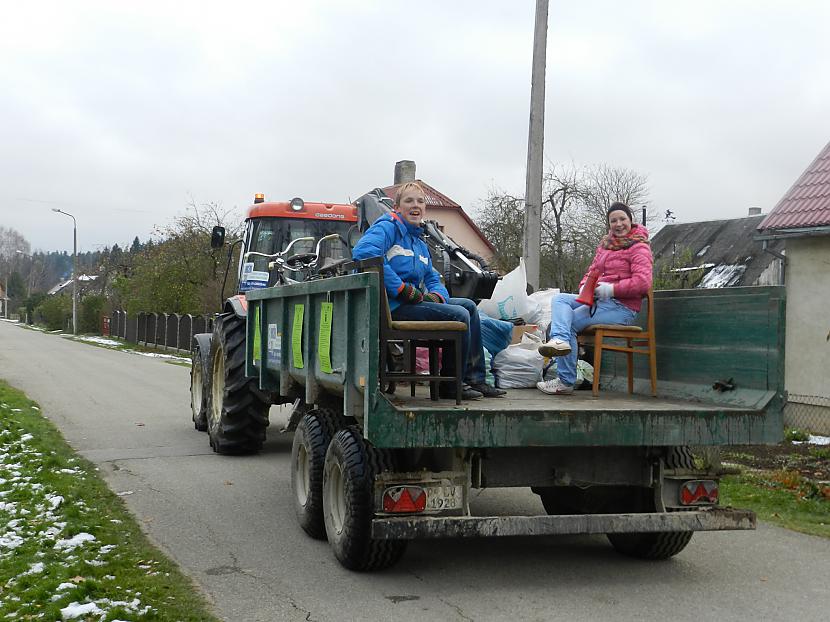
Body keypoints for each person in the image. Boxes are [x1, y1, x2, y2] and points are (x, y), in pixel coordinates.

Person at [352, 181, 505, 400]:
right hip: (393, 306)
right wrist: (402, 289)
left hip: (413, 303)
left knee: (469, 307)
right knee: (459, 314)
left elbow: (432, 276)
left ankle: (475, 379)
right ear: (397, 207)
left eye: (420, 201)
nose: (415, 205)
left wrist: (437, 295)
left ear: (425, 208)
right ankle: (450, 385)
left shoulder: (419, 242)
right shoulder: (388, 227)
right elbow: (365, 254)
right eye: (409, 201)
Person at [536, 202, 653, 395]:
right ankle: (559, 341)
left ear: (631, 221)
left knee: (569, 324)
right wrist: (584, 286)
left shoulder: (639, 247)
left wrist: (611, 290)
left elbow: (643, 282)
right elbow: (593, 271)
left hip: (622, 308)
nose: (618, 224)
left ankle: (565, 381)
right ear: (609, 224)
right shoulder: (606, 246)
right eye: (613, 220)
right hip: (598, 301)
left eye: (622, 219)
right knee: (560, 300)